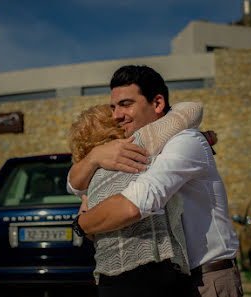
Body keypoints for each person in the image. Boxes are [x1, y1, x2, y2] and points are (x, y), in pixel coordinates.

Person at [68, 65, 242, 297]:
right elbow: (73, 186)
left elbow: (135, 204)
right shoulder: (125, 151)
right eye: (113, 107)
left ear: (158, 103)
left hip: (207, 280)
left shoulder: (185, 141)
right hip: (171, 280)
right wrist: (94, 157)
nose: (116, 115)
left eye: (126, 104)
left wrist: (81, 224)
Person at [68, 101, 204, 297]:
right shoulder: (137, 146)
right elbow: (192, 109)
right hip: (152, 272)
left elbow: (91, 231)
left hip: (108, 278)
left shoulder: (88, 183)